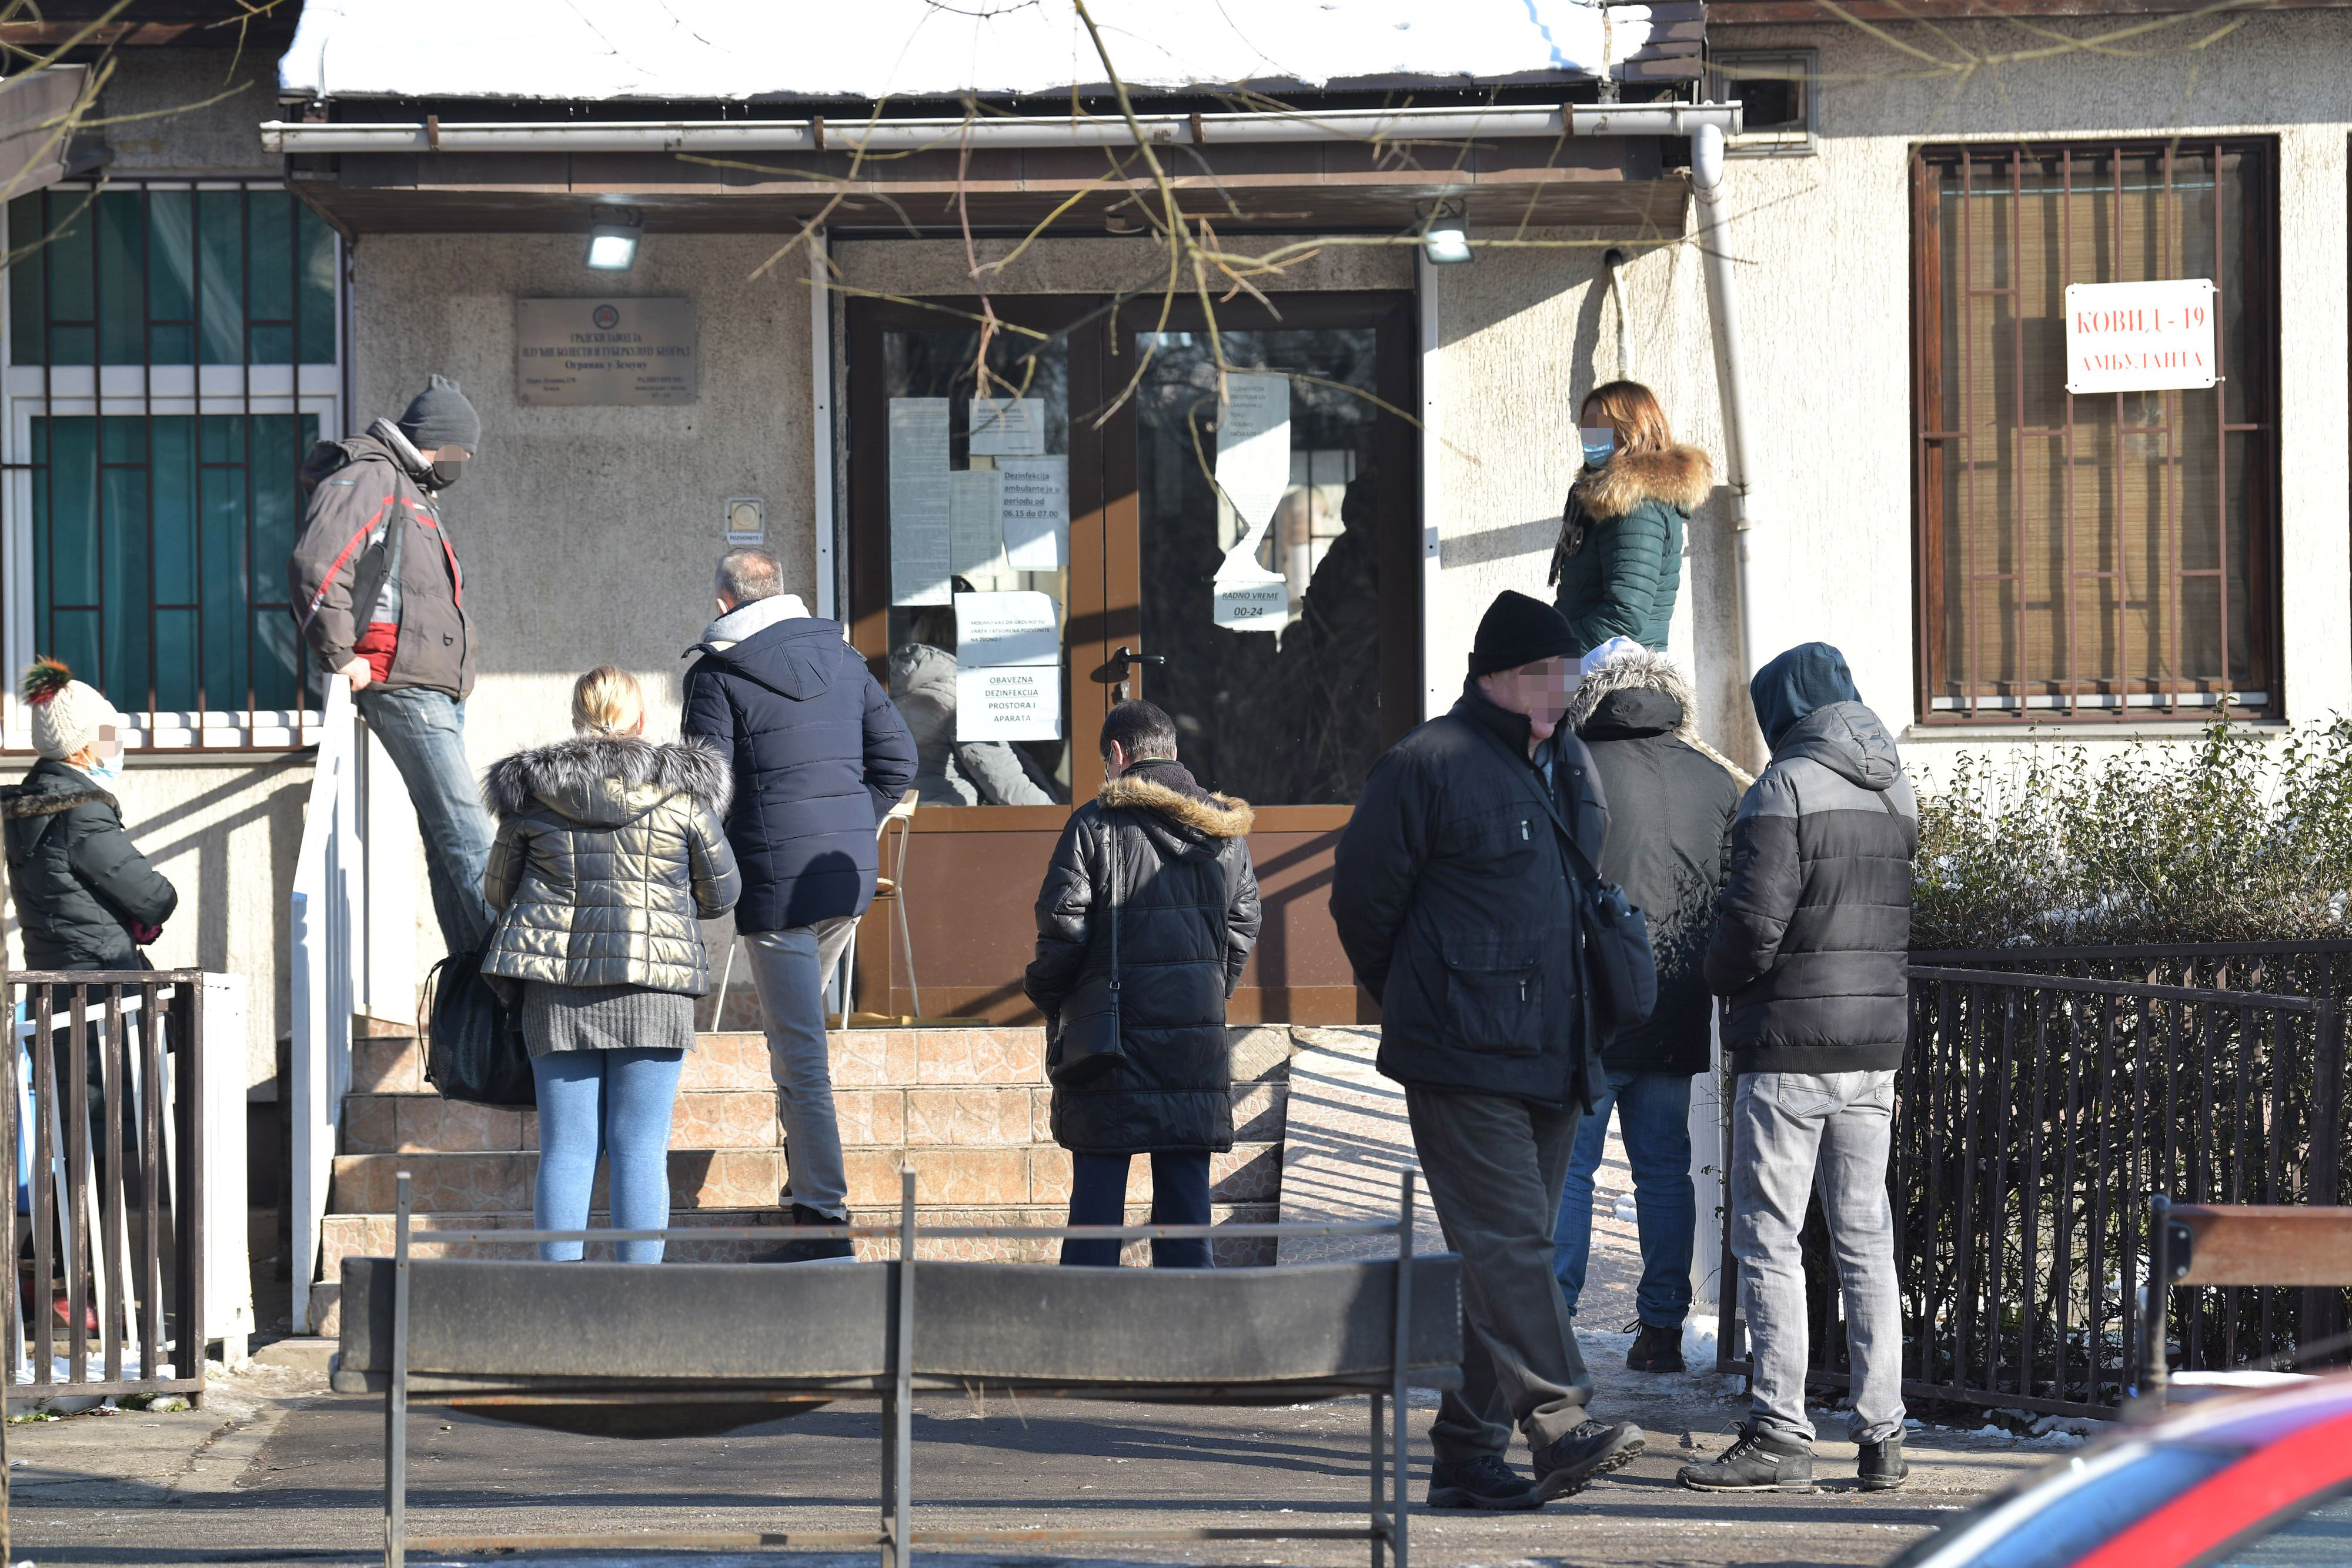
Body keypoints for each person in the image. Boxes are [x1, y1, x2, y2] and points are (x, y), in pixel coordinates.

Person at [1331, 590, 1645, 1512]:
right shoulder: (1426, 763)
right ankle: (1557, 1419)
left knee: (1504, 1257)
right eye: (1551, 672)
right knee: (1509, 1245)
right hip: (1460, 1053)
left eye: (1571, 671)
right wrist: (1427, 994)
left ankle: (1467, 1453)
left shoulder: (1570, 763)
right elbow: (1362, 906)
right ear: (1500, 676)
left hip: (1556, 1045)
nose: (1568, 686)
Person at [1677, 643, 1917, 1496]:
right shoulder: (1895, 786)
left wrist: (1713, 972)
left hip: (1788, 1047)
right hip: (1873, 1050)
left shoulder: (1782, 788)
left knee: (1769, 1236)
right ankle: (1883, 1434)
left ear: (1784, 712)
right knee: (1866, 1241)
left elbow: (1752, 929)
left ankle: (1780, 1430)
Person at [682, 547, 916, 1262]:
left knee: (800, 1052)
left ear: (724, 603)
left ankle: (822, 1217)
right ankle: (805, 1194)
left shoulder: (716, 675)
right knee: (800, 1037)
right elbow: (899, 762)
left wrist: (720, 864)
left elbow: (703, 789)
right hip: (841, 880)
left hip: (776, 883)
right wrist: (853, 820)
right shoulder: (844, 660)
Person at [480, 666, 740, 1263]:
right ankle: (639, 1308)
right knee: (641, 1148)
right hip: (655, 984)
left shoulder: (532, 798)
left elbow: (498, 893)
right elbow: (722, 895)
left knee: (566, 1149)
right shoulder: (684, 796)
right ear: (641, 720)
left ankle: (560, 1302)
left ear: (577, 720)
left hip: (558, 986)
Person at [1549, 637, 1746, 1372]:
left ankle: (1554, 1323)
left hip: (1589, 1004)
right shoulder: (1714, 780)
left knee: (1569, 1169)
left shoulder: (1570, 769)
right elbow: (1734, 894)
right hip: (1676, 1004)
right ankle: (1663, 1329)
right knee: (1665, 1170)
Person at [1024, 700, 1262, 1269]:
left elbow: (1063, 929)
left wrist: (1047, 994)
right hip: (1192, 1048)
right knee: (1185, 1220)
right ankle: (1183, 1344)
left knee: (1096, 1222)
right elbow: (1244, 921)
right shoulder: (1223, 832)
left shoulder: (1093, 825)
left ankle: (1089, 1347)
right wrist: (1206, 991)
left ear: (1116, 756)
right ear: (1173, 754)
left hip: (1108, 1049)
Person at [288, 374, 496, 956]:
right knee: (469, 835)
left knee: (447, 840)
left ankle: (475, 983)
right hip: (402, 683)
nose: (466, 464)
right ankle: (519, 982)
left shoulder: (408, 486)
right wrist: (340, 655)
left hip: (432, 687)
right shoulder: (373, 474)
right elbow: (316, 564)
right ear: (440, 441)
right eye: (465, 452)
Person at [3, 658, 176, 972]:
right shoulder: (82, 811)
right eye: (109, 736)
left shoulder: (27, 808)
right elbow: (153, 896)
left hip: (52, 978)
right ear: (82, 748)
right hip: (101, 981)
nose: (118, 745)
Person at [1548, 380, 1710, 655]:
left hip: (1613, 676)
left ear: (1632, 429)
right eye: (1585, 426)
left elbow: (1625, 615)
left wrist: (1555, 658)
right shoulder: (1603, 500)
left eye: (1599, 426)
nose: (1589, 436)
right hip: (1595, 662)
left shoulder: (1637, 507)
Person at [887, 640, 1057, 806]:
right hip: (951, 818)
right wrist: (1060, 817)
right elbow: (1006, 785)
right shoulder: (968, 697)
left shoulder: (897, 692)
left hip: (903, 814)